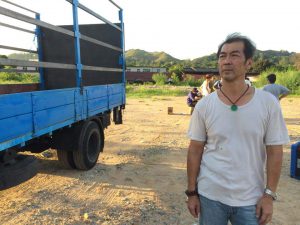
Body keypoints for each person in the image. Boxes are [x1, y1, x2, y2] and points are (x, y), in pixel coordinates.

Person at [186, 33, 289, 225]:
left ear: (248, 63)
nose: (226, 61)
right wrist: (192, 192)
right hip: (210, 197)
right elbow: (195, 149)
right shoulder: (205, 105)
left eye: (234, 55)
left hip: (251, 199)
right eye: (222, 56)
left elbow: (275, 151)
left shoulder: (267, 103)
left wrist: (269, 195)